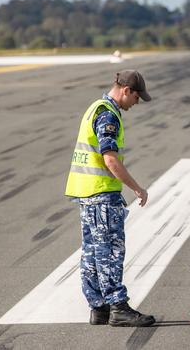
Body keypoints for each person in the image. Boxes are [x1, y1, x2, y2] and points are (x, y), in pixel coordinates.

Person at [65, 70, 156, 327]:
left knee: (92, 251)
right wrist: (137, 188)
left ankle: (99, 307)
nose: (136, 103)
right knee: (110, 251)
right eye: (137, 97)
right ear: (126, 90)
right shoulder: (108, 115)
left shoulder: (95, 107)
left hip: (86, 193)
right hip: (102, 194)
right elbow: (110, 158)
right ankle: (118, 306)